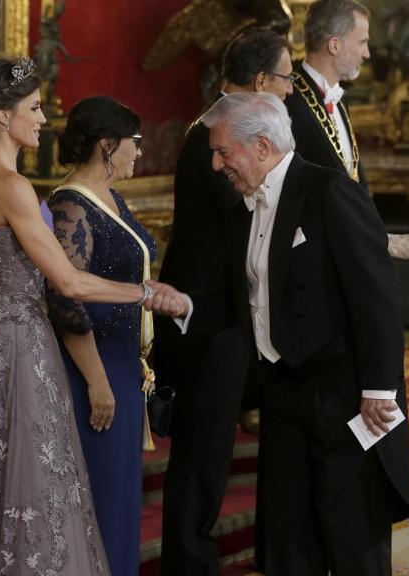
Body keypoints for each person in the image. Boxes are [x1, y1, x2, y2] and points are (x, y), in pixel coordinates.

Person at [0, 57, 187, 576]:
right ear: (3, 116)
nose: (45, 118)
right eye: (34, 107)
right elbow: (67, 283)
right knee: (27, 490)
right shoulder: (11, 185)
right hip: (20, 344)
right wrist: (143, 292)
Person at [151, 91, 409, 575]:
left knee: (352, 537)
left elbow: (376, 299)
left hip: (342, 396)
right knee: (288, 540)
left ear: (262, 145)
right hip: (281, 395)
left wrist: (379, 389)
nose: (214, 165)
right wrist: (184, 304)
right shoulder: (240, 212)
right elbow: (240, 300)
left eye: (222, 151)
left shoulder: (329, 192)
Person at [154, 27, 292, 576]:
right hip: (205, 326)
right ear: (261, 80)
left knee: (212, 463)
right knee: (199, 467)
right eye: (285, 79)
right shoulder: (213, 135)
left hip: (229, 323)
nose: (289, 91)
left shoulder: (231, 126)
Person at [45, 96, 154, 576]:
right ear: (108, 146)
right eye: (135, 143)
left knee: (121, 501)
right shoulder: (69, 205)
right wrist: (97, 381)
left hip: (123, 364)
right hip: (94, 370)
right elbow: (64, 299)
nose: (139, 153)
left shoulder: (112, 197)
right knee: (99, 504)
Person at [285, 0, 369, 189]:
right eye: (362, 42)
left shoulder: (338, 97)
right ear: (334, 46)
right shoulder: (289, 101)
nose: (367, 54)